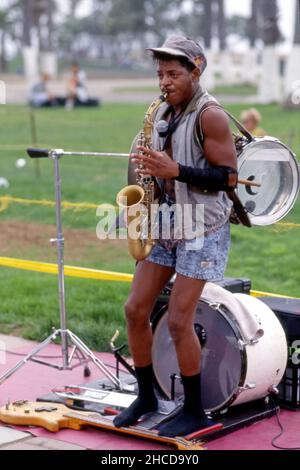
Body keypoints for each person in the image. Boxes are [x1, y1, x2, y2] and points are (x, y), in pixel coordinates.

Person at [113, 36, 237, 437]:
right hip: (165, 223)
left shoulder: (211, 116)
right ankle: (147, 395)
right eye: (160, 74)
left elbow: (227, 178)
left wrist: (176, 171)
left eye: (174, 74)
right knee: (135, 310)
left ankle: (195, 410)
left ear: (196, 70)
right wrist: (148, 168)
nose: (164, 82)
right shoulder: (162, 111)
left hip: (202, 228)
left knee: (179, 322)